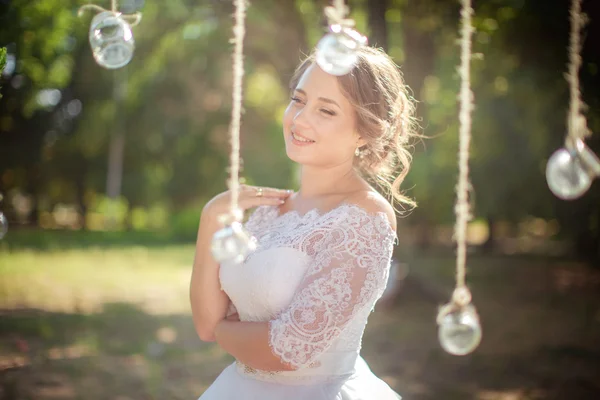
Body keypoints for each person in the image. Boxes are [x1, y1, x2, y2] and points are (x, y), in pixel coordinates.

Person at [190, 45, 418, 400]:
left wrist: (224, 330)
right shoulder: (269, 210)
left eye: (326, 110)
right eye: (298, 100)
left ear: (365, 131)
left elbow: (289, 347)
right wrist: (211, 219)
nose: (300, 119)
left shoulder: (365, 217)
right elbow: (205, 322)